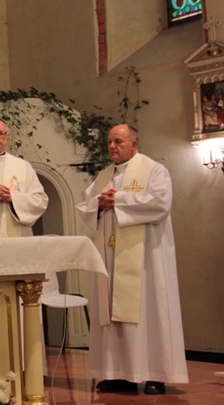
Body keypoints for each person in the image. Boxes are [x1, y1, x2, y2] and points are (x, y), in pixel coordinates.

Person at [76, 124, 188, 395]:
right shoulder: (104, 175)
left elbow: (160, 203)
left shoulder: (154, 170)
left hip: (147, 257)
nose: (112, 146)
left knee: (148, 310)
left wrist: (120, 199)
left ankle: (155, 373)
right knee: (112, 314)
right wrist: (99, 206)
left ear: (133, 145)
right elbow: (86, 205)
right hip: (111, 256)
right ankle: (117, 374)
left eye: (119, 142)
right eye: (110, 142)